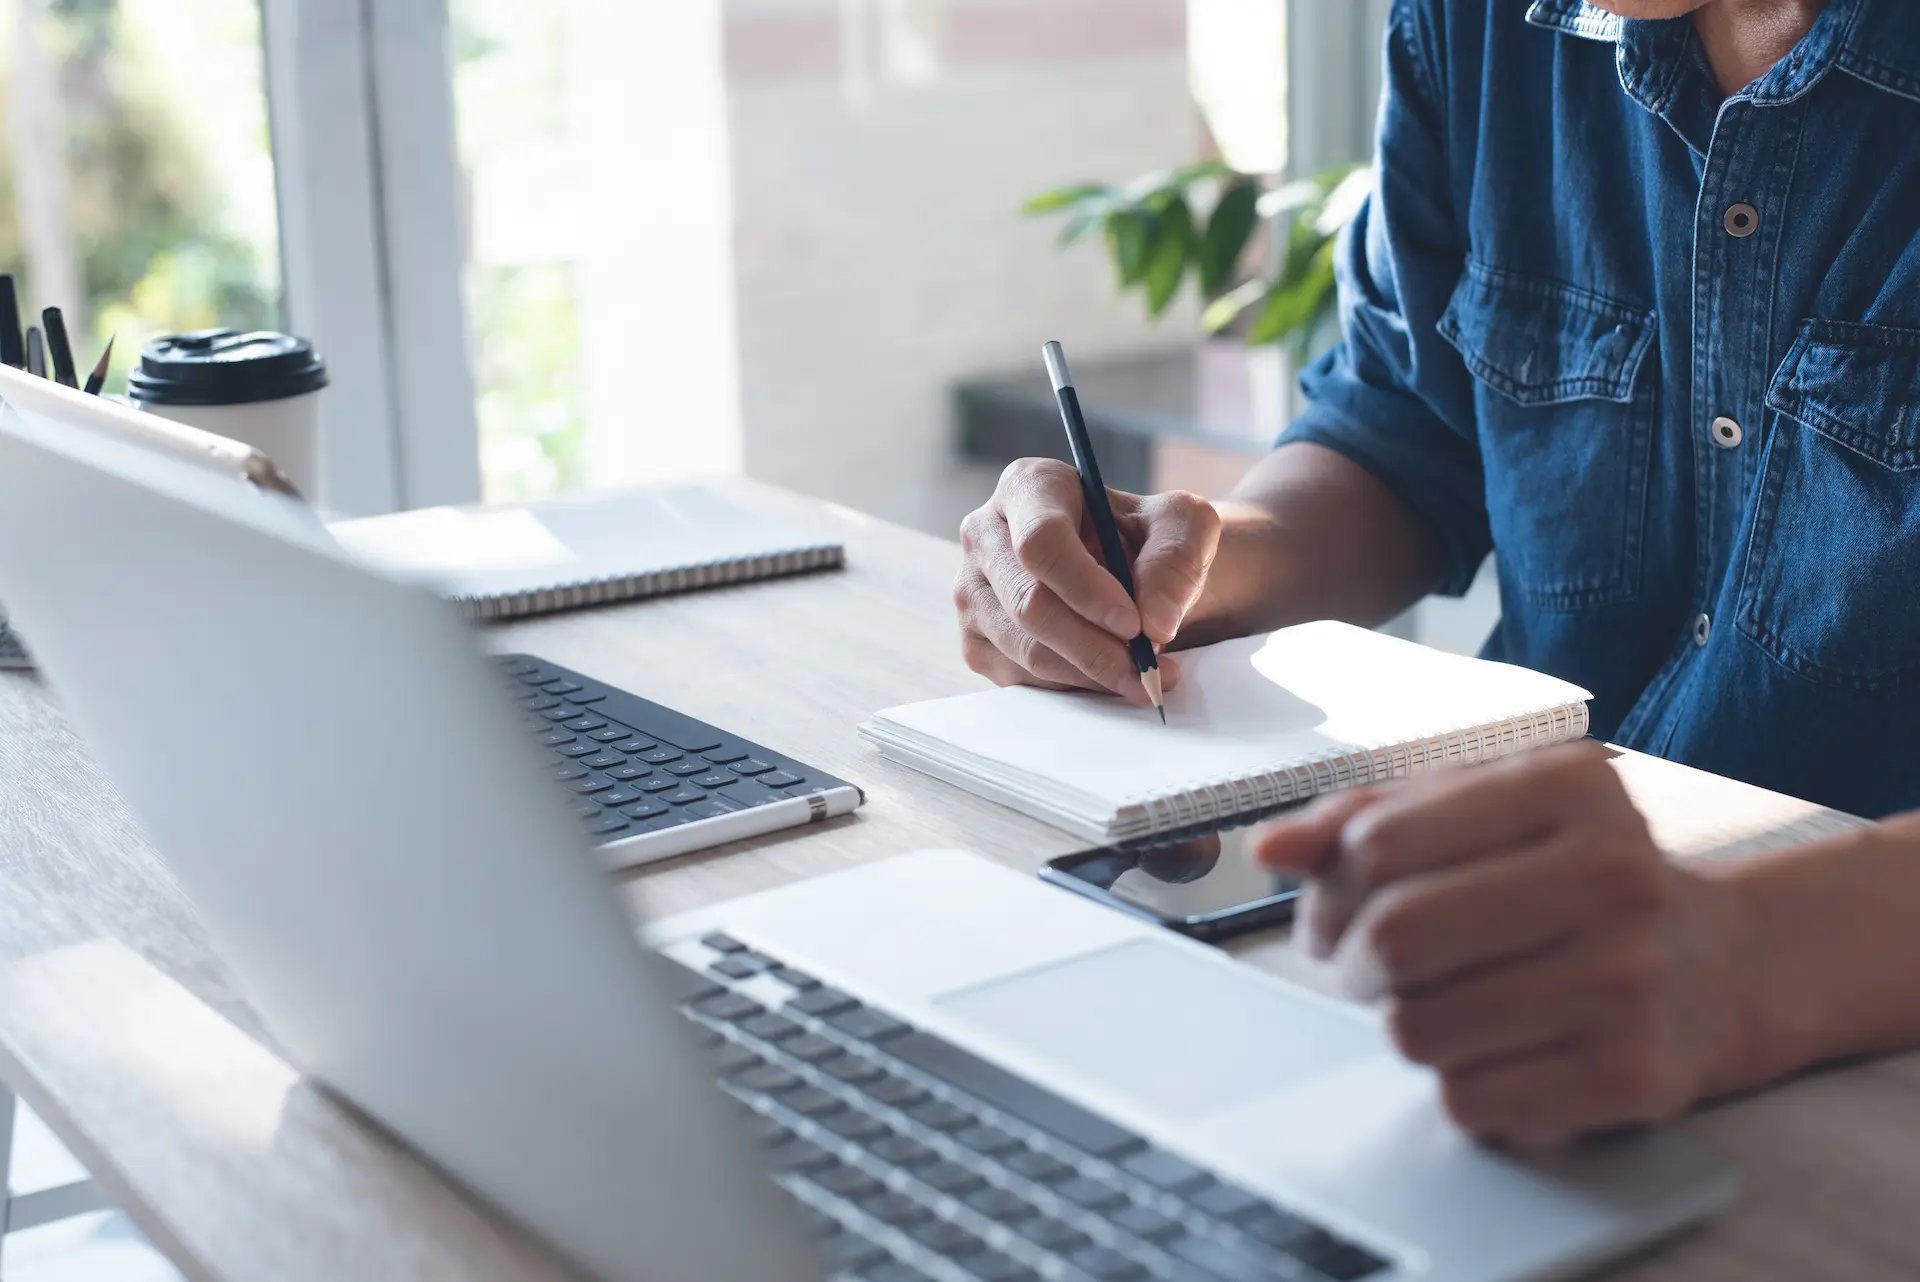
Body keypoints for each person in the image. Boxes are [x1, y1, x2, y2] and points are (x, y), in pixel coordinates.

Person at [953, 0, 1920, 1147]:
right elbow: (1409, 429)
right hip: (1516, 973)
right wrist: (1182, 571)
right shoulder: (1475, 26)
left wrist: (1749, 956)